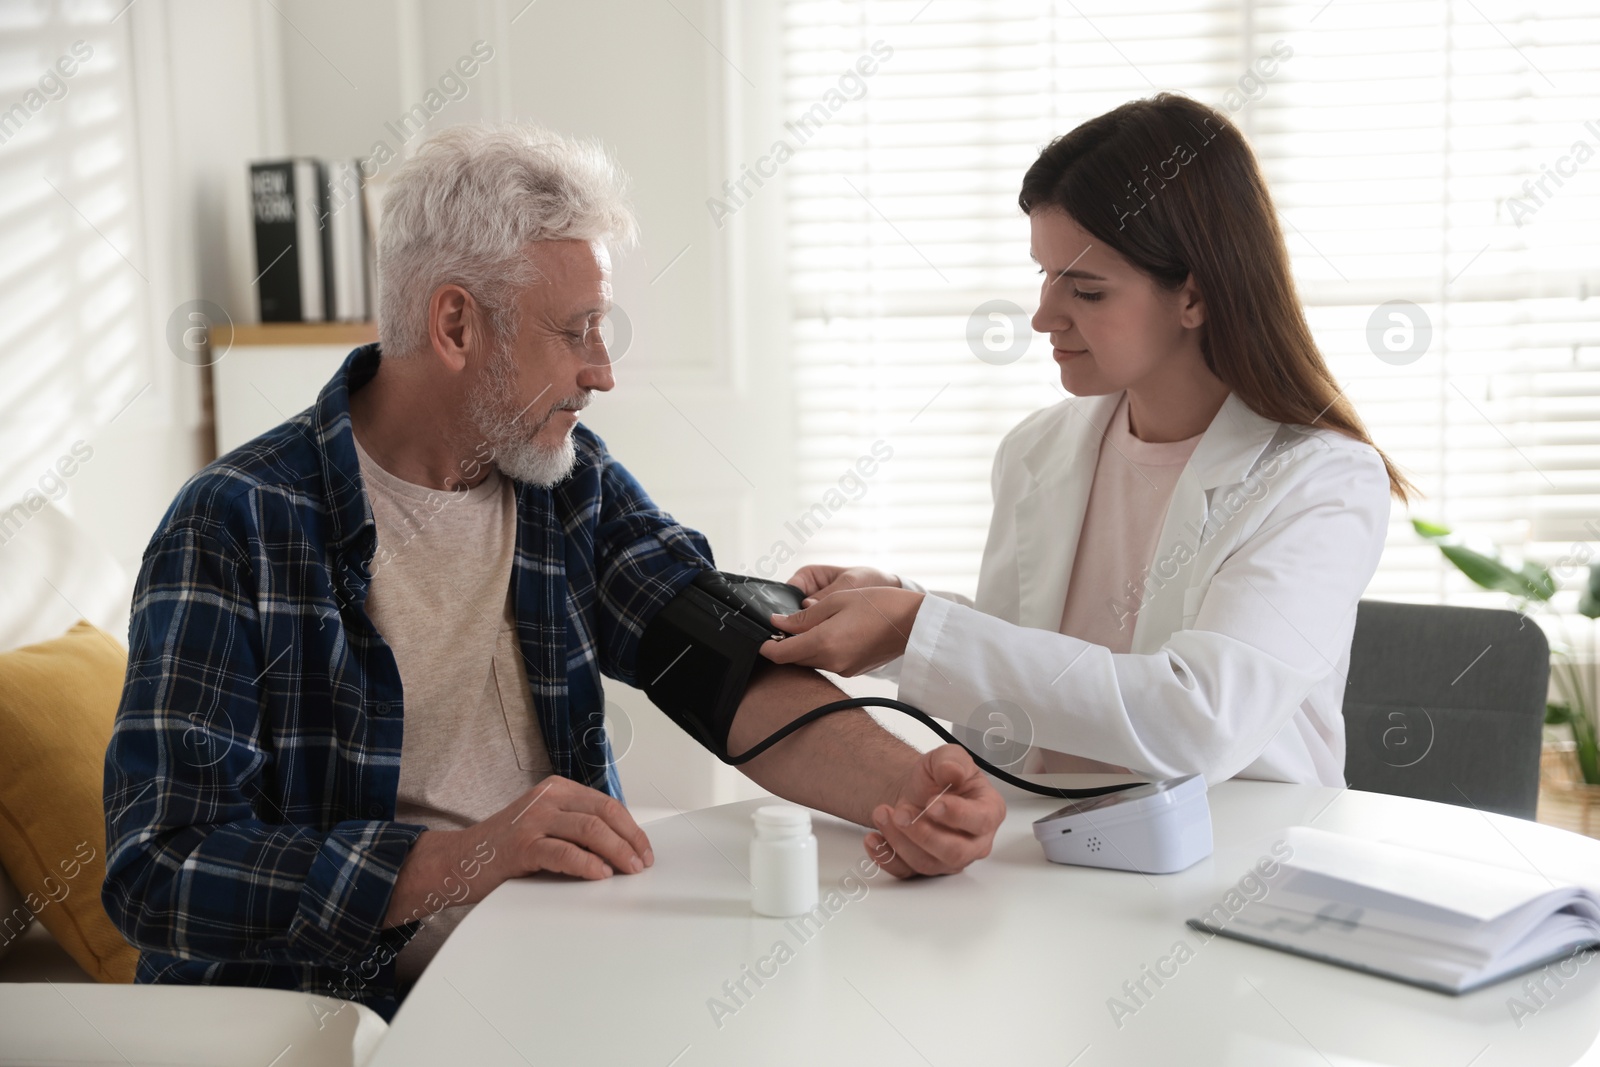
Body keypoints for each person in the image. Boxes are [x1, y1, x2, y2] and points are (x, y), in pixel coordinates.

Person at [101, 124, 1004, 1019]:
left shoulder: (568, 484)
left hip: (560, 970)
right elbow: (159, 869)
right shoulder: (235, 523)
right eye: (577, 331)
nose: (602, 371)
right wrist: (461, 860)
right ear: (455, 323)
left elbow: (725, 664)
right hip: (332, 1017)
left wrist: (908, 793)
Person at [761, 93, 1411, 789]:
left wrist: (917, 627)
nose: (1043, 316)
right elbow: (1042, 645)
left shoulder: (1323, 483)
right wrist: (893, 604)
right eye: (1045, 275)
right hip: (1039, 845)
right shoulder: (1037, 449)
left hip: (1233, 862)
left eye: (1087, 291)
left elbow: (1198, 719)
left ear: (1194, 296)